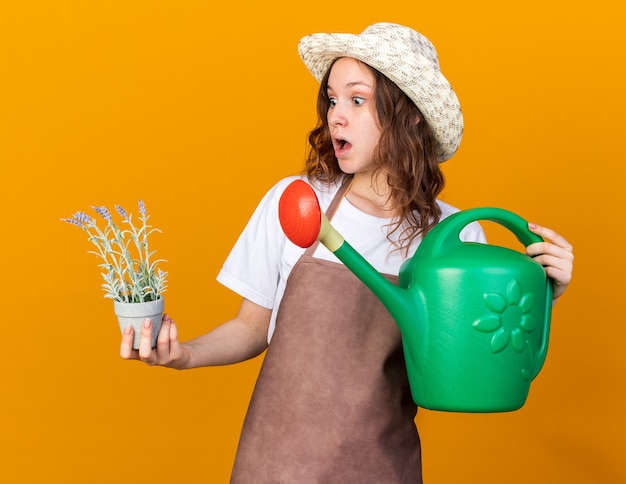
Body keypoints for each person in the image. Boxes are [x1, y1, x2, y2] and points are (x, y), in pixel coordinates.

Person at [120, 22, 574, 483]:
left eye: (357, 100)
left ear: (410, 115)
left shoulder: (453, 239)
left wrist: (540, 294)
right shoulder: (298, 203)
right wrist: (183, 355)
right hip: (275, 468)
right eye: (332, 99)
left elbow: (475, 358)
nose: (336, 115)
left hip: (381, 468)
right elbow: (250, 327)